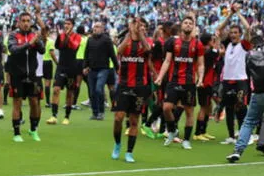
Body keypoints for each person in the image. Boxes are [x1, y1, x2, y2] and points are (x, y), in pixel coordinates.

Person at [227, 35, 264, 165]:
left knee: (248, 122)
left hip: (258, 93)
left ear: (252, 44)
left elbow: (248, 75)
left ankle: (238, 150)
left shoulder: (249, 55)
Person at [155, 16, 205, 150]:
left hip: (189, 83)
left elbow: (200, 64)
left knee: (189, 112)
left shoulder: (197, 44)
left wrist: (200, 79)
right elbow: (167, 61)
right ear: (181, 26)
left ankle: (186, 140)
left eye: (190, 23)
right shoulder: (173, 42)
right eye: (186, 23)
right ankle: (172, 130)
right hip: (174, 80)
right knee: (166, 108)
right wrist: (160, 76)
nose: (188, 25)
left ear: (193, 27)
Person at [111, 18, 152, 163]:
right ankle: (117, 144)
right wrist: (129, 33)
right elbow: (119, 51)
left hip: (140, 86)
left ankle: (129, 152)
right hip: (123, 84)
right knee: (118, 118)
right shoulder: (125, 40)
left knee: (134, 120)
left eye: (140, 24)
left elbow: (148, 50)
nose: (137, 26)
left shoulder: (147, 41)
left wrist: (140, 34)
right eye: (135, 24)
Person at [215, 4, 252, 145]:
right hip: (227, 80)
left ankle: (245, 136)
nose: (233, 34)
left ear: (240, 34)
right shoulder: (228, 44)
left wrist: (238, 13)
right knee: (229, 108)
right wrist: (230, 14)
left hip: (240, 80)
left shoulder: (244, 45)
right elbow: (219, 29)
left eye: (236, 32)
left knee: (241, 107)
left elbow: (248, 28)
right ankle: (231, 136)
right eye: (231, 32)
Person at [8, 11, 45, 142]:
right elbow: (13, 50)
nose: (25, 23)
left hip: (33, 75)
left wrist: (37, 41)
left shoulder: (34, 35)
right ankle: (17, 133)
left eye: (28, 21)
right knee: (17, 103)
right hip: (17, 75)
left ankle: (33, 130)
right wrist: (30, 43)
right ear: (18, 22)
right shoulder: (13, 35)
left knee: (34, 102)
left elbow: (42, 50)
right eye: (23, 21)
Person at [47, 19, 81, 125]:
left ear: (73, 26)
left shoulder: (77, 37)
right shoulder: (61, 35)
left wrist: (67, 36)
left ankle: (67, 116)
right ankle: (54, 115)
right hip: (61, 66)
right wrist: (59, 36)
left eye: (69, 24)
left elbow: (74, 46)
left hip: (72, 68)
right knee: (56, 90)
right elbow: (58, 46)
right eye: (65, 24)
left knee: (69, 93)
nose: (66, 26)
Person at [84, 21, 118, 121]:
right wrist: (85, 66)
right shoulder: (89, 40)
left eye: (98, 27)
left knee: (99, 89)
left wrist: (117, 67)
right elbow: (86, 54)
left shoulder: (106, 40)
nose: (95, 28)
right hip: (91, 69)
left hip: (103, 69)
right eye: (94, 27)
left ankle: (101, 111)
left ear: (102, 29)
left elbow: (112, 54)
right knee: (92, 92)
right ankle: (95, 113)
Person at [193, 33, 222, 142]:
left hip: (206, 83)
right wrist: (218, 38)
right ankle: (198, 132)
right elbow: (218, 50)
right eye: (212, 40)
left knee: (207, 107)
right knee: (203, 107)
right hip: (204, 83)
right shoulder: (209, 52)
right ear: (209, 41)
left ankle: (203, 131)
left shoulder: (203, 52)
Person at [42, 30, 57, 108]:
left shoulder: (39, 41)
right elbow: (52, 53)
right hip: (47, 62)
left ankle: (36, 98)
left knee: (37, 81)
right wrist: (57, 63)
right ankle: (48, 102)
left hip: (40, 62)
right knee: (47, 82)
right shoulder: (50, 41)